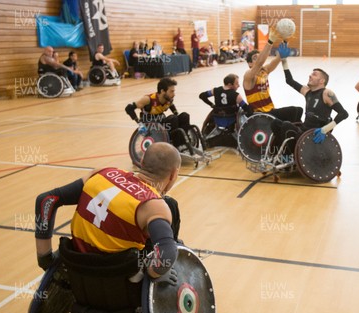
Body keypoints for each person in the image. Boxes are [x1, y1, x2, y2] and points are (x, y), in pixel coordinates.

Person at [34, 142, 182, 284]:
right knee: (170, 208)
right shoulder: (155, 206)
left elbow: (46, 200)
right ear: (173, 174)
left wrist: (45, 259)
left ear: (141, 161)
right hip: (117, 278)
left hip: (76, 267)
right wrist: (153, 274)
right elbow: (168, 253)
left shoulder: (102, 173)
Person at [270, 42, 349, 152]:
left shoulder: (327, 93)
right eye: (311, 74)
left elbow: (344, 113)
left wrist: (324, 130)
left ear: (322, 81)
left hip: (312, 135)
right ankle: (282, 152)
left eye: (314, 74)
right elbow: (289, 80)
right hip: (303, 130)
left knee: (286, 125)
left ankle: (289, 154)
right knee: (275, 123)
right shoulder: (307, 91)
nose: (310, 75)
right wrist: (284, 60)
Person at [125, 77, 198, 157]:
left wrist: (177, 115)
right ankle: (178, 145)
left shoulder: (169, 99)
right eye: (171, 91)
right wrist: (140, 124)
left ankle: (184, 141)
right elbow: (128, 108)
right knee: (173, 119)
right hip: (152, 126)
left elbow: (171, 106)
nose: (174, 94)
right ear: (163, 91)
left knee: (184, 115)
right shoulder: (148, 99)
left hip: (162, 123)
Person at [243, 30, 303, 123]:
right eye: (255, 58)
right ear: (249, 63)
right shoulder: (249, 76)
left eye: (259, 56)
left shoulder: (265, 71)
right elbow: (260, 62)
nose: (258, 59)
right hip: (260, 115)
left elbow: (278, 58)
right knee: (295, 111)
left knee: (298, 112)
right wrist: (270, 41)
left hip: (270, 111)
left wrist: (286, 40)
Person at [199, 73, 252, 147]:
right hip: (231, 120)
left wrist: (211, 104)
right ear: (230, 85)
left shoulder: (215, 90)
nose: (239, 86)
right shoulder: (236, 95)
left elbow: (201, 95)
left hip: (217, 119)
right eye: (237, 84)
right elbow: (246, 108)